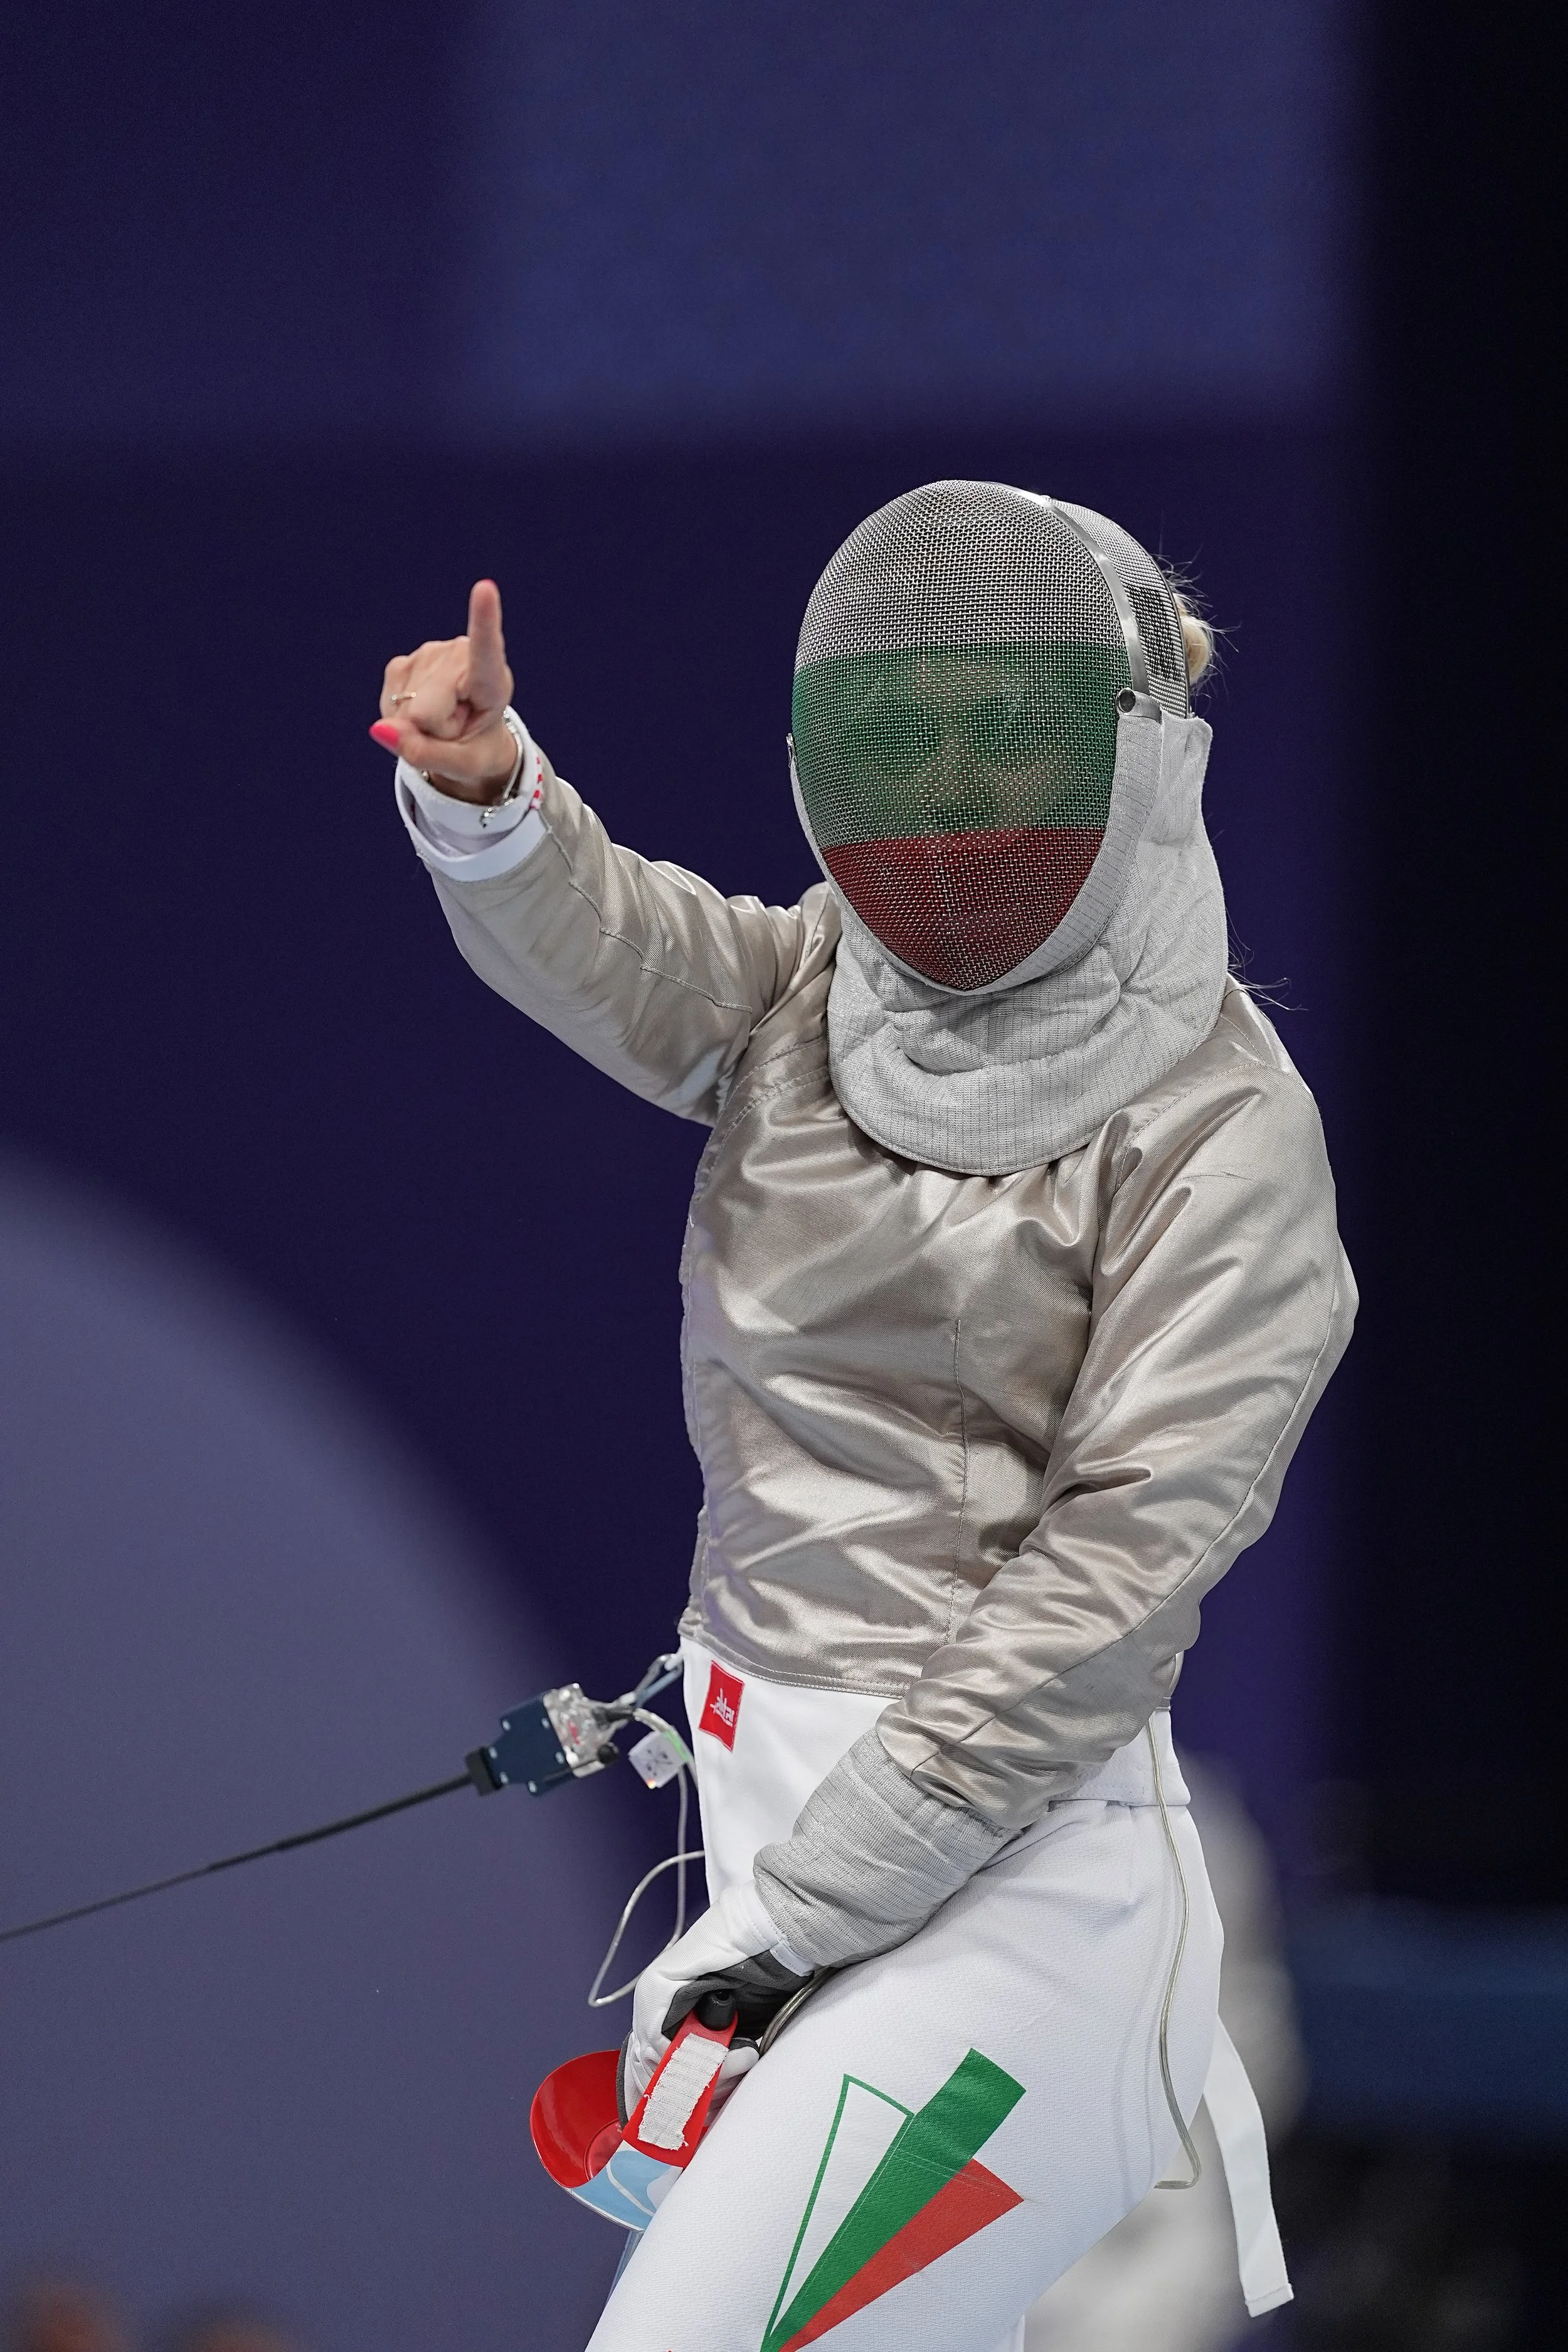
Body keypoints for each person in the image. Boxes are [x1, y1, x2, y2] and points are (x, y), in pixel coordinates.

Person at [369, 480, 1354, 2352]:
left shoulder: (1226, 1142)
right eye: (898, 760)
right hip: (789, 1905)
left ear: (1121, 772)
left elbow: (1100, 1593)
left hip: (1016, 1951)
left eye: (989, 767)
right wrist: (487, 798)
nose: (930, 830)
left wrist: (782, 1927)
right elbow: (630, 952)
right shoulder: (819, 988)